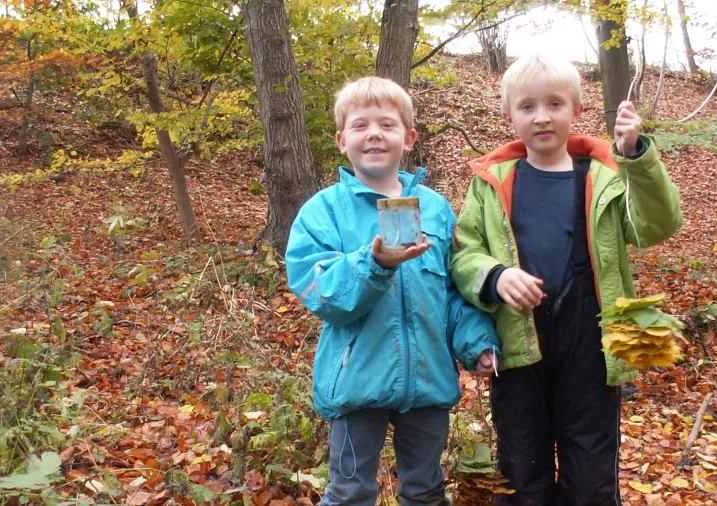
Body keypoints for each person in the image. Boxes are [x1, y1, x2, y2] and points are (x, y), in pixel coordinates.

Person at [450, 52, 683, 505]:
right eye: (528, 107)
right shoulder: (493, 181)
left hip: (593, 348)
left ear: (576, 110)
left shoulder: (607, 176)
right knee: (521, 474)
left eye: (555, 104)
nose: (542, 117)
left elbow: (658, 225)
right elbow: (464, 253)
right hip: (519, 347)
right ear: (509, 116)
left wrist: (636, 157)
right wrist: (495, 276)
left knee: (591, 477)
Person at [285, 76, 499, 506]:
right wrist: (374, 264)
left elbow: (453, 292)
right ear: (342, 139)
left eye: (387, 124)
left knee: (425, 491)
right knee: (350, 492)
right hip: (354, 381)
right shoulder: (323, 211)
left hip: (427, 380)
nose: (374, 134)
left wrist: (476, 342)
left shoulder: (435, 209)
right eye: (361, 125)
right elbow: (321, 292)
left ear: (409, 137)